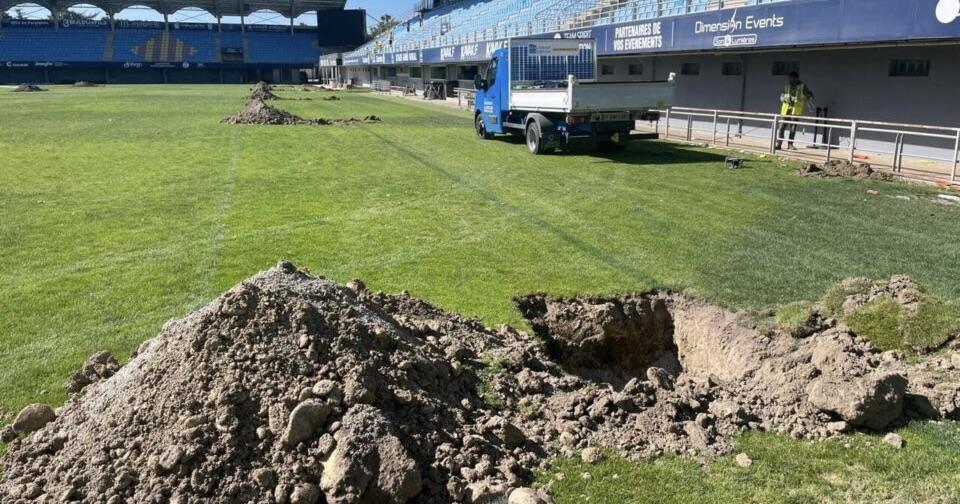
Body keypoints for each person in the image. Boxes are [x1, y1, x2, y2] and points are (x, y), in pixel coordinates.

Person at [776, 71, 814, 150]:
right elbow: (781, 96)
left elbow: (810, 96)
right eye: (789, 79)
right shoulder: (787, 86)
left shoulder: (802, 86)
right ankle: (778, 144)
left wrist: (803, 98)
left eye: (791, 79)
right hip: (786, 110)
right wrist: (785, 99)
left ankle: (790, 144)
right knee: (781, 127)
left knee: (793, 128)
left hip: (795, 110)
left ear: (796, 78)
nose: (790, 80)